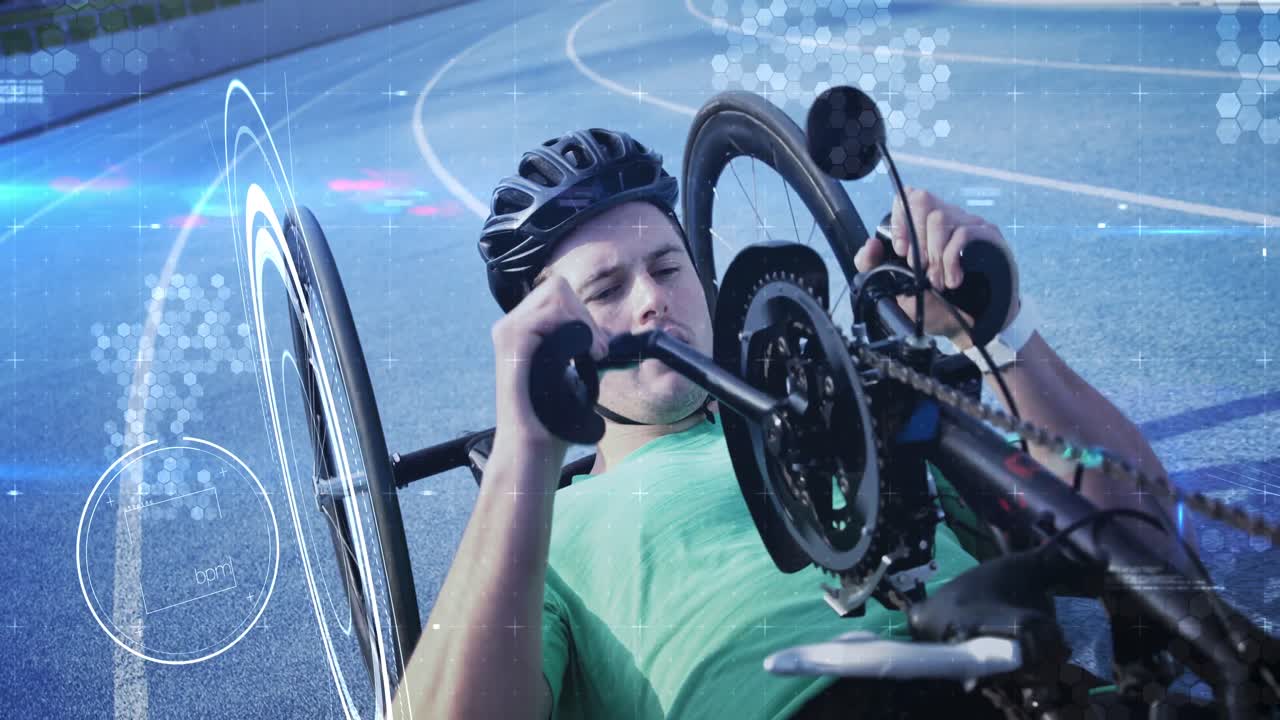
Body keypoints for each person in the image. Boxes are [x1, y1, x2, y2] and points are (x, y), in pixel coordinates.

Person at [397, 128, 1188, 719]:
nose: (652, 300)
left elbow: (1146, 539)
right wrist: (523, 457)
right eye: (605, 291)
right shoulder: (539, 532)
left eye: (668, 268)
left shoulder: (845, 410)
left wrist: (996, 330)